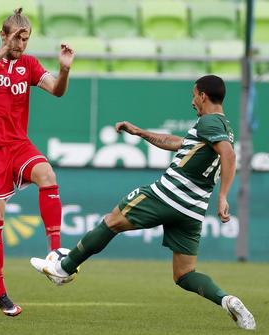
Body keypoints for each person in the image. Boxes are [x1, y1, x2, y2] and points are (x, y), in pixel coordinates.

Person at [30, 75, 256, 330]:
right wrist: (139, 132)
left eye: (194, 95)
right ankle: (227, 300)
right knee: (185, 274)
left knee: (111, 221)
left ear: (203, 95)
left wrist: (224, 195)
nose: (192, 101)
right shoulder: (222, 126)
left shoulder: (209, 122)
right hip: (192, 210)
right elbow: (179, 144)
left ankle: (64, 268)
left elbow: (228, 154)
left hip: (167, 195)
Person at [0, 8, 74, 317]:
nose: (21, 44)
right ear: (3, 35)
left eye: (25, 39)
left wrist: (64, 70)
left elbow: (56, 90)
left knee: (47, 174)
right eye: (17, 38)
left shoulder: (28, 64)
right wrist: (3, 49)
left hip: (17, 143)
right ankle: (0, 293)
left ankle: (55, 250)